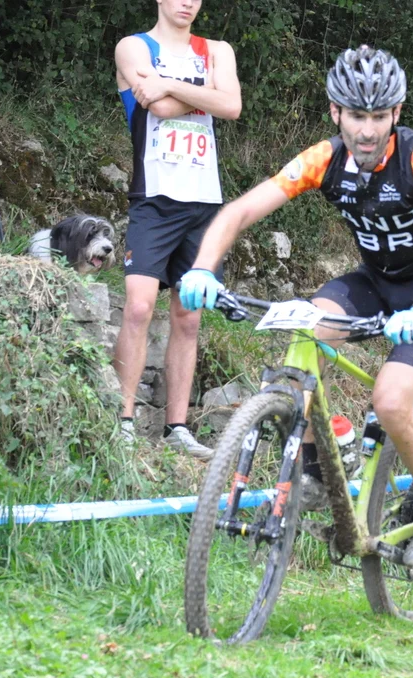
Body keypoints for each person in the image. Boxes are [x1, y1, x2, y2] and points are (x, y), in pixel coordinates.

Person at [179, 46, 413, 568]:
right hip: (373, 282)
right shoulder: (324, 159)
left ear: (396, 114)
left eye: (379, 117)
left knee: (390, 401)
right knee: (305, 336)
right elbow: (239, 211)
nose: (367, 130)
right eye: (356, 115)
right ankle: (316, 468)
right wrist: (202, 268)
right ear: (336, 112)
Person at [112, 0, 241, 458]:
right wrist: (205, 91)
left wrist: (168, 83)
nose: (188, 2)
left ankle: (177, 427)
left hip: (204, 201)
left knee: (189, 316)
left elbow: (232, 106)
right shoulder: (133, 47)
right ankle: (123, 421)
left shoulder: (217, 49)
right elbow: (162, 108)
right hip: (154, 194)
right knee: (138, 306)